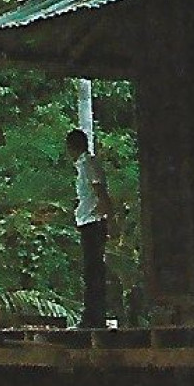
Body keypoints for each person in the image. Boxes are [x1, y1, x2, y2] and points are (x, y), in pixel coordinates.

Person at [65, 128, 114, 328]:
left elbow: (100, 192)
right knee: (91, 271)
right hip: (88, 221)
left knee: (94, 271)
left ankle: (94, 316)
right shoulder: (83, 166)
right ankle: (93, 314)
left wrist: (107, 218)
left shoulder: (88, 165)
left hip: (93, 222)